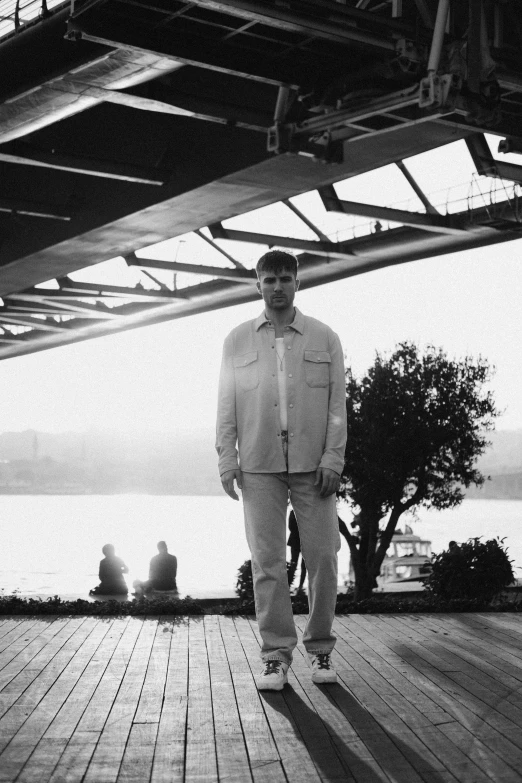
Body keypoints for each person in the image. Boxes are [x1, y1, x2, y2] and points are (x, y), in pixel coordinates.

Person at [216, 249, 347, 691]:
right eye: (269, 279)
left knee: (324, 560)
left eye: (285, 278)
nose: (277, 286)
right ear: (257, 284)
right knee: (268, 563)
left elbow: (336, 408)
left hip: (315, 467)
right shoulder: (236, 341)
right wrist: (226, 459)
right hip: (257, 466)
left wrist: (333, 458)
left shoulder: (325, 337)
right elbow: (226, 405)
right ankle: (275, 656)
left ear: (297, 283)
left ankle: (322, 651)